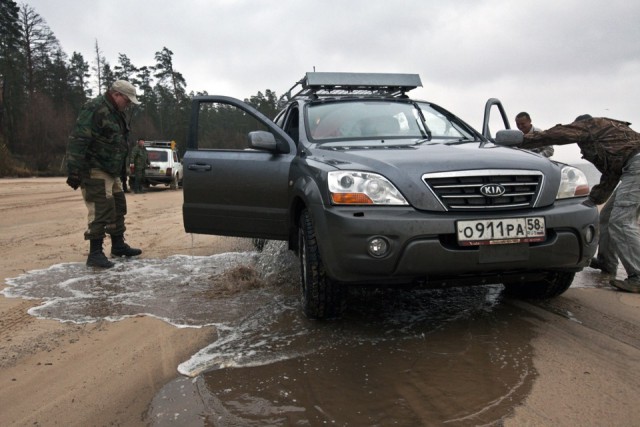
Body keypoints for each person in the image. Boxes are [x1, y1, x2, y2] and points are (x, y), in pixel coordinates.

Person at [520, 114, 640, 293]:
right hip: (632, 167)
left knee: (621, 222)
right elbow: (611, 175)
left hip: (636, 166)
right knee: (606, 217)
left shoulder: (590, 125)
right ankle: (607, 262)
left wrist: (519, 143)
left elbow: (557, 134)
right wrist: (592, 201)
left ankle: (637, 276)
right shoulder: (612, 136)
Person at [65, 80, 143, 268]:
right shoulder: (95, 108)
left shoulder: (117, 113)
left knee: (118, 205)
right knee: (100, 208)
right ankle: (95, 253)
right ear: (116, 95)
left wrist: (122, 173)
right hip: (94, 167)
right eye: (127, 100)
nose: (129, 104)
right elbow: (79, 139)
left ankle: (118, 246)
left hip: (112, 169)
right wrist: (74, 170)